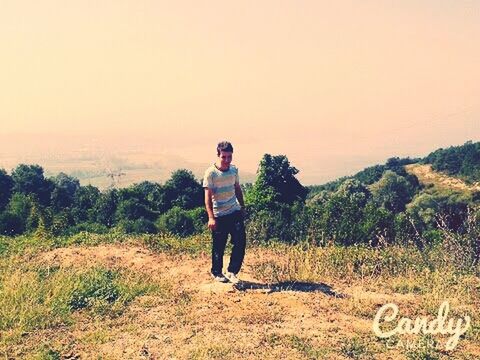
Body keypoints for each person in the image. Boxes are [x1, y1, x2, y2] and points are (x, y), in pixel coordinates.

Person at [203, 141, 246, 283]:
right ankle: (216, 272)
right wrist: (211, 217)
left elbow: (237, 188)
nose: (227, 160)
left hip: (234, 211)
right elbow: (208, 198)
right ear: (218, 155)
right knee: (219, 246)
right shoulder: (211, 173)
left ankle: (232, 271)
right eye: (224, 157)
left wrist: (242, 206)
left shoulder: (234, 170)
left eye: (229, 157)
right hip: (219, 215)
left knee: (240, 241)